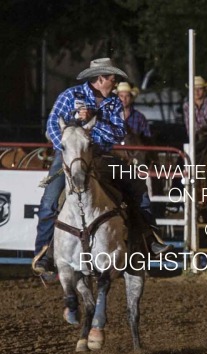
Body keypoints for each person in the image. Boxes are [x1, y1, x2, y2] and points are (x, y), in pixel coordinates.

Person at [33, 58, 171, 275]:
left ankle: (149, 238)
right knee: (50, 201)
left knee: (137, 187)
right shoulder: (71, 96)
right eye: (112, 79)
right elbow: (52, 126)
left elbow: (118, 132)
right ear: (100, 79)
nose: (115, 84)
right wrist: (71, 146)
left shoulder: (114, 102)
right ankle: (43, 254)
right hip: (71, 155)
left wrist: (95, 118)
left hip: (102, 155)